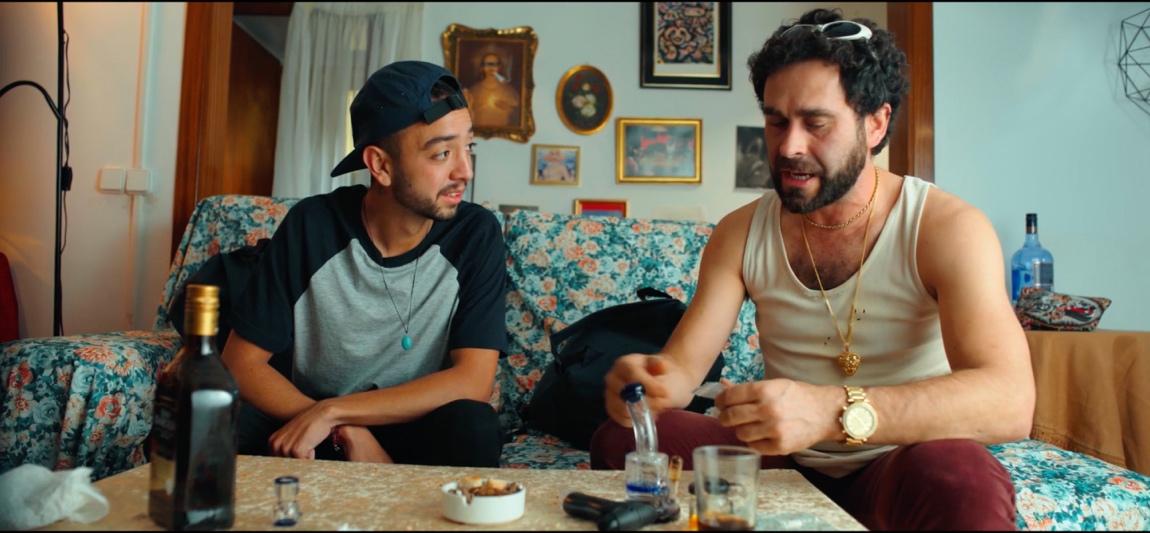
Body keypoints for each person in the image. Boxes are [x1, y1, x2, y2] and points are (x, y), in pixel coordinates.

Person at [591, 8, 1034, 531]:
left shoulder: (946, 228)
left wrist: (829, 412)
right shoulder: (739, 233)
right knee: (619, 439)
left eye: (815, 123)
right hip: (781, 461)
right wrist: (648, 386)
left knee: (961, 476)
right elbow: (682, 373)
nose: (789, 146)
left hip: (898, 460)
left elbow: (1010, 401)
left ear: (876, 123)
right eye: (777, 121)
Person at [221, 60, 509, 468]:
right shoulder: (312, 226)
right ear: (381, 166)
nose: (466, 171)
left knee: (474, 425)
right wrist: (342, 428)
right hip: (312, 424)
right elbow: (241, 363)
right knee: (211, 421)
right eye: (443, 153)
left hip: (414, 423)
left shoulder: (475, 234)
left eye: (468, 148)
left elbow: (473, 381)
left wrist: (336, 413)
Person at [463, 52, 520, 128]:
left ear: (499, 67)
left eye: (494, 64)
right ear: (482, 67)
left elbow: (518, 117)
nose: (491, 68)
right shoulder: (473, 91)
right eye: (487, 64)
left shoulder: (510, 91)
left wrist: (508, 108)